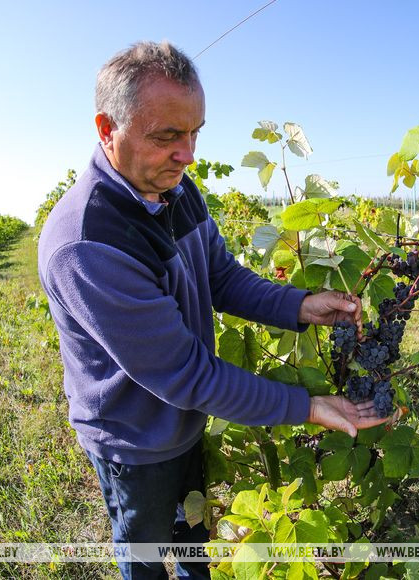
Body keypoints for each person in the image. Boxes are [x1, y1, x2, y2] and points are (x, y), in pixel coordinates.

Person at [37, 41, 389, 579]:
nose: (188, 154)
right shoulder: (87, 245)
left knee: (195, 543)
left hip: (184, 421)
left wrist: (300, 305)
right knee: (149, 559)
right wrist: (311, 406)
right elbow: (186, 373)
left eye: (195, 132)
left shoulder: (177, 189)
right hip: (133, 441)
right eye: (167, 136)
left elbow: (220, 276)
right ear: (107, 129)